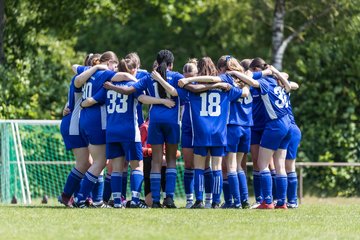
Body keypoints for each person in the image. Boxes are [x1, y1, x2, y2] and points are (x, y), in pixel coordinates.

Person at [81, 57, 175, 208]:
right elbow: (143, 99)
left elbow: (91, 101)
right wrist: (163, 101)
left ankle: (118, 201)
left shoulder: (107, 86)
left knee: (117, 167)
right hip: (129, 131)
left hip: (111, 132)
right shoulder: (133, 85)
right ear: (132, 70)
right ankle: (136, 200)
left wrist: (79, 104)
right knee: (137, 167)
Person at [104, 50, 183, 208]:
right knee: (171, 160)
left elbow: (136, 95)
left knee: (155, 160)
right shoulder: (177, 76)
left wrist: (111, 86)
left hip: (154, 121)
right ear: (171, 64)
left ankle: (154, 200)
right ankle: (169, 198)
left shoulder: (149, 77)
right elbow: (178, 93)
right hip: (172, 121)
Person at [228, 57, 292, 209]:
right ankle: (282, 202)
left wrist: (234, 73)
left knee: (262, 164)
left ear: (257, 70)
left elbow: (252, 80)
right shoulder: (277, 81)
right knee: (279, 165)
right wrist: (273, 71)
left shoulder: (264, 82)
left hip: (275, 125)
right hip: (288, 124)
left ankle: (267, 202)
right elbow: (289, 86)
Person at [58, 53, 101, 207]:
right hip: (73, 124)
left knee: (91, 162)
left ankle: (84, 197)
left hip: (80, 124)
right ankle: (67, 196)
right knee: (84, 163)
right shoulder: (86, 77)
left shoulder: (92, 79)